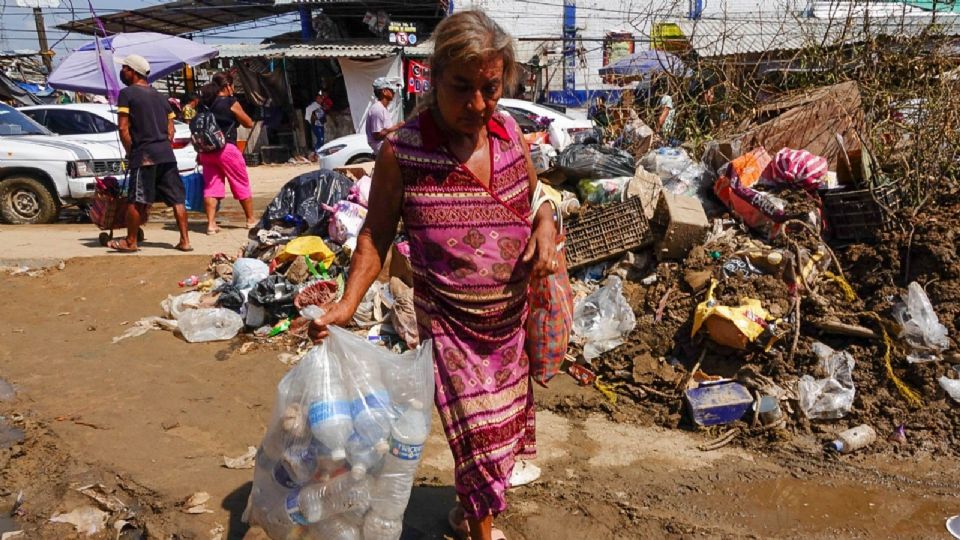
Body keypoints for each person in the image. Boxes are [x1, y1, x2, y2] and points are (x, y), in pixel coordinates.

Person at [310, 11, 558, 540]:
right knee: (478, 441)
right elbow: (375, 235)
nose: (476, 104)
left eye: (490, 88)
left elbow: (539, 198)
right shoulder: (402, 151)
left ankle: (469, 515)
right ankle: (481, 531)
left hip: (509, 325)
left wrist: (545, 225)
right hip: (451, 328)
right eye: (461, 88)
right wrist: (347, 304)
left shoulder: (511, 133)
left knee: (504, 431)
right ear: (433, 77)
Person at [111, 54, 191, 252]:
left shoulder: (127, 94)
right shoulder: (159, 96)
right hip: (166, 154)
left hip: (144, 155)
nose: (122, 72)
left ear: (133, 71)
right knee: (177, 199)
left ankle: (130, 241)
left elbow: (123, 128)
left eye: (124, 68)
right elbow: (171, 127)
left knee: (136, 199)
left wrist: (131, 151)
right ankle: (185, 241)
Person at [196, 72, 256, 235]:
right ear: (227, 86)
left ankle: (211, 224)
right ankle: (250, 220)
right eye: (232, 86)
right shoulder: (230, 102)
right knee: (240, 182)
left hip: (207, 151)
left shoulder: (203, 103)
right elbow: (249, 123)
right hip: (226, 149)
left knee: (211, 187)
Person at [364, 78, 403, 154]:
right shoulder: (377, 109)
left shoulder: (382, 108)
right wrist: (397, 126)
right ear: (384, 92)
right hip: (383, 151)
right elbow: (377, 135)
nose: (393, 92)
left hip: (387, 148)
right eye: (391, 90)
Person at [304, 90, 332, 154]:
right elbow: (308, 112)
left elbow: (326, 110)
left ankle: (317, 153)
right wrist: (313, 118)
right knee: (320, 139)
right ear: (316, 98)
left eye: (322, 98)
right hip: (316, 125)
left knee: (321, 140)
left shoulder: (320, 106)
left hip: (320, 125)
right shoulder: (313, 105)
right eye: (319, 98)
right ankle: (315, 153)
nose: (321, 99)